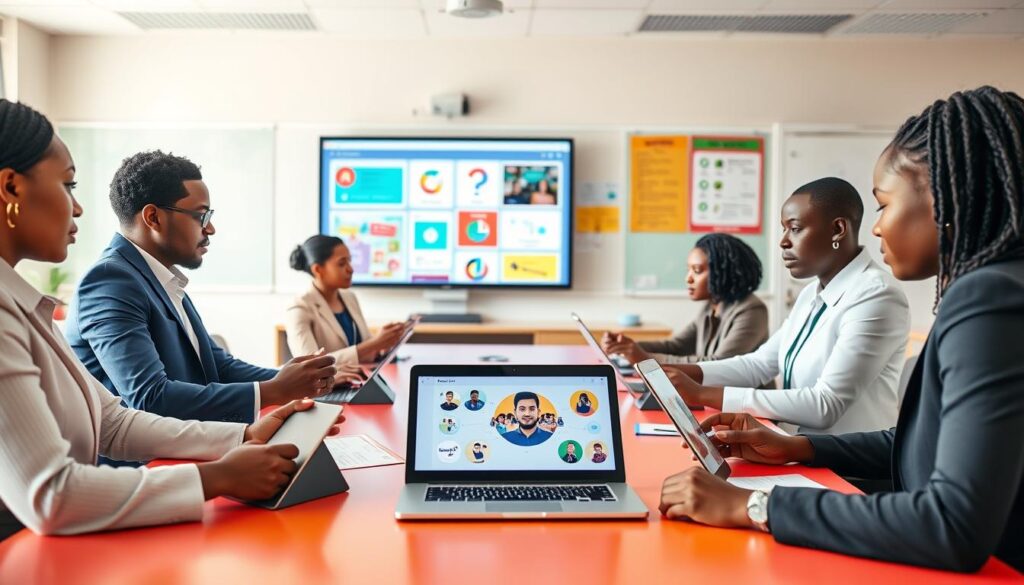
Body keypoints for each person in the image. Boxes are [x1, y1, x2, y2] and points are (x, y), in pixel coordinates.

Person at [658, 86, 1024, 573]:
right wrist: (799, 447)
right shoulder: (994, 290)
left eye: (884, 205)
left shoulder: (989, 301)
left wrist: (752, 506)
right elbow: (922, 443)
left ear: (946, 198)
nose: (876, 227)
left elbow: (951, 525)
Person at [0, 99, 344, 540]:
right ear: (11, 187)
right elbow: (54, 493)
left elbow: (114, 422)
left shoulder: (36, 301)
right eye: (68, 185)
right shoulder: (107, 281)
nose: (78, 208)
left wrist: (244, 436)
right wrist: (217, 476)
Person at [65, 151, 341, 426]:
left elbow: (218, 367)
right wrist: (275, 389)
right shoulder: (110, 281)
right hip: (146, 465)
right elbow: (150, 398)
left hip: (188, 445)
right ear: (153, 217)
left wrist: (301, 378)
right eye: (201, 216)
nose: (211, 229)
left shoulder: (163, 277)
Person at [662, 177, 910, 435]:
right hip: (795, 449)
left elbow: (825, 405)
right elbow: (758, 364)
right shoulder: (811, 295)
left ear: (838, 229)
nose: (783, 242)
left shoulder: (877, 295)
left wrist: (703, 393)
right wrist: (678, 372)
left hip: (848, 470)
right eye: (784, 229)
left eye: (795, 228)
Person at [603, 233, 769, 365]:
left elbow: (719, 365)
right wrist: (628, 346)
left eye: (697, 271)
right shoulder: (711, 306)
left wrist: (644, 359)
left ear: (724, 272)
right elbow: (676, 346)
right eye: (688, 270)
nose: (688, 279)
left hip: (742, 404)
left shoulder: (751, 310)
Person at [285, 234, 406, 369]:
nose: (351, 269)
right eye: (342, 263)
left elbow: (365, 349)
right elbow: (309, 366)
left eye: (350, 261)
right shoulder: (299, 308)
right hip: (330, 389)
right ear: (318, 269)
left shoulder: (349, 298)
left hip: (361, 380)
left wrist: (382, 345)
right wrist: (374, 344)